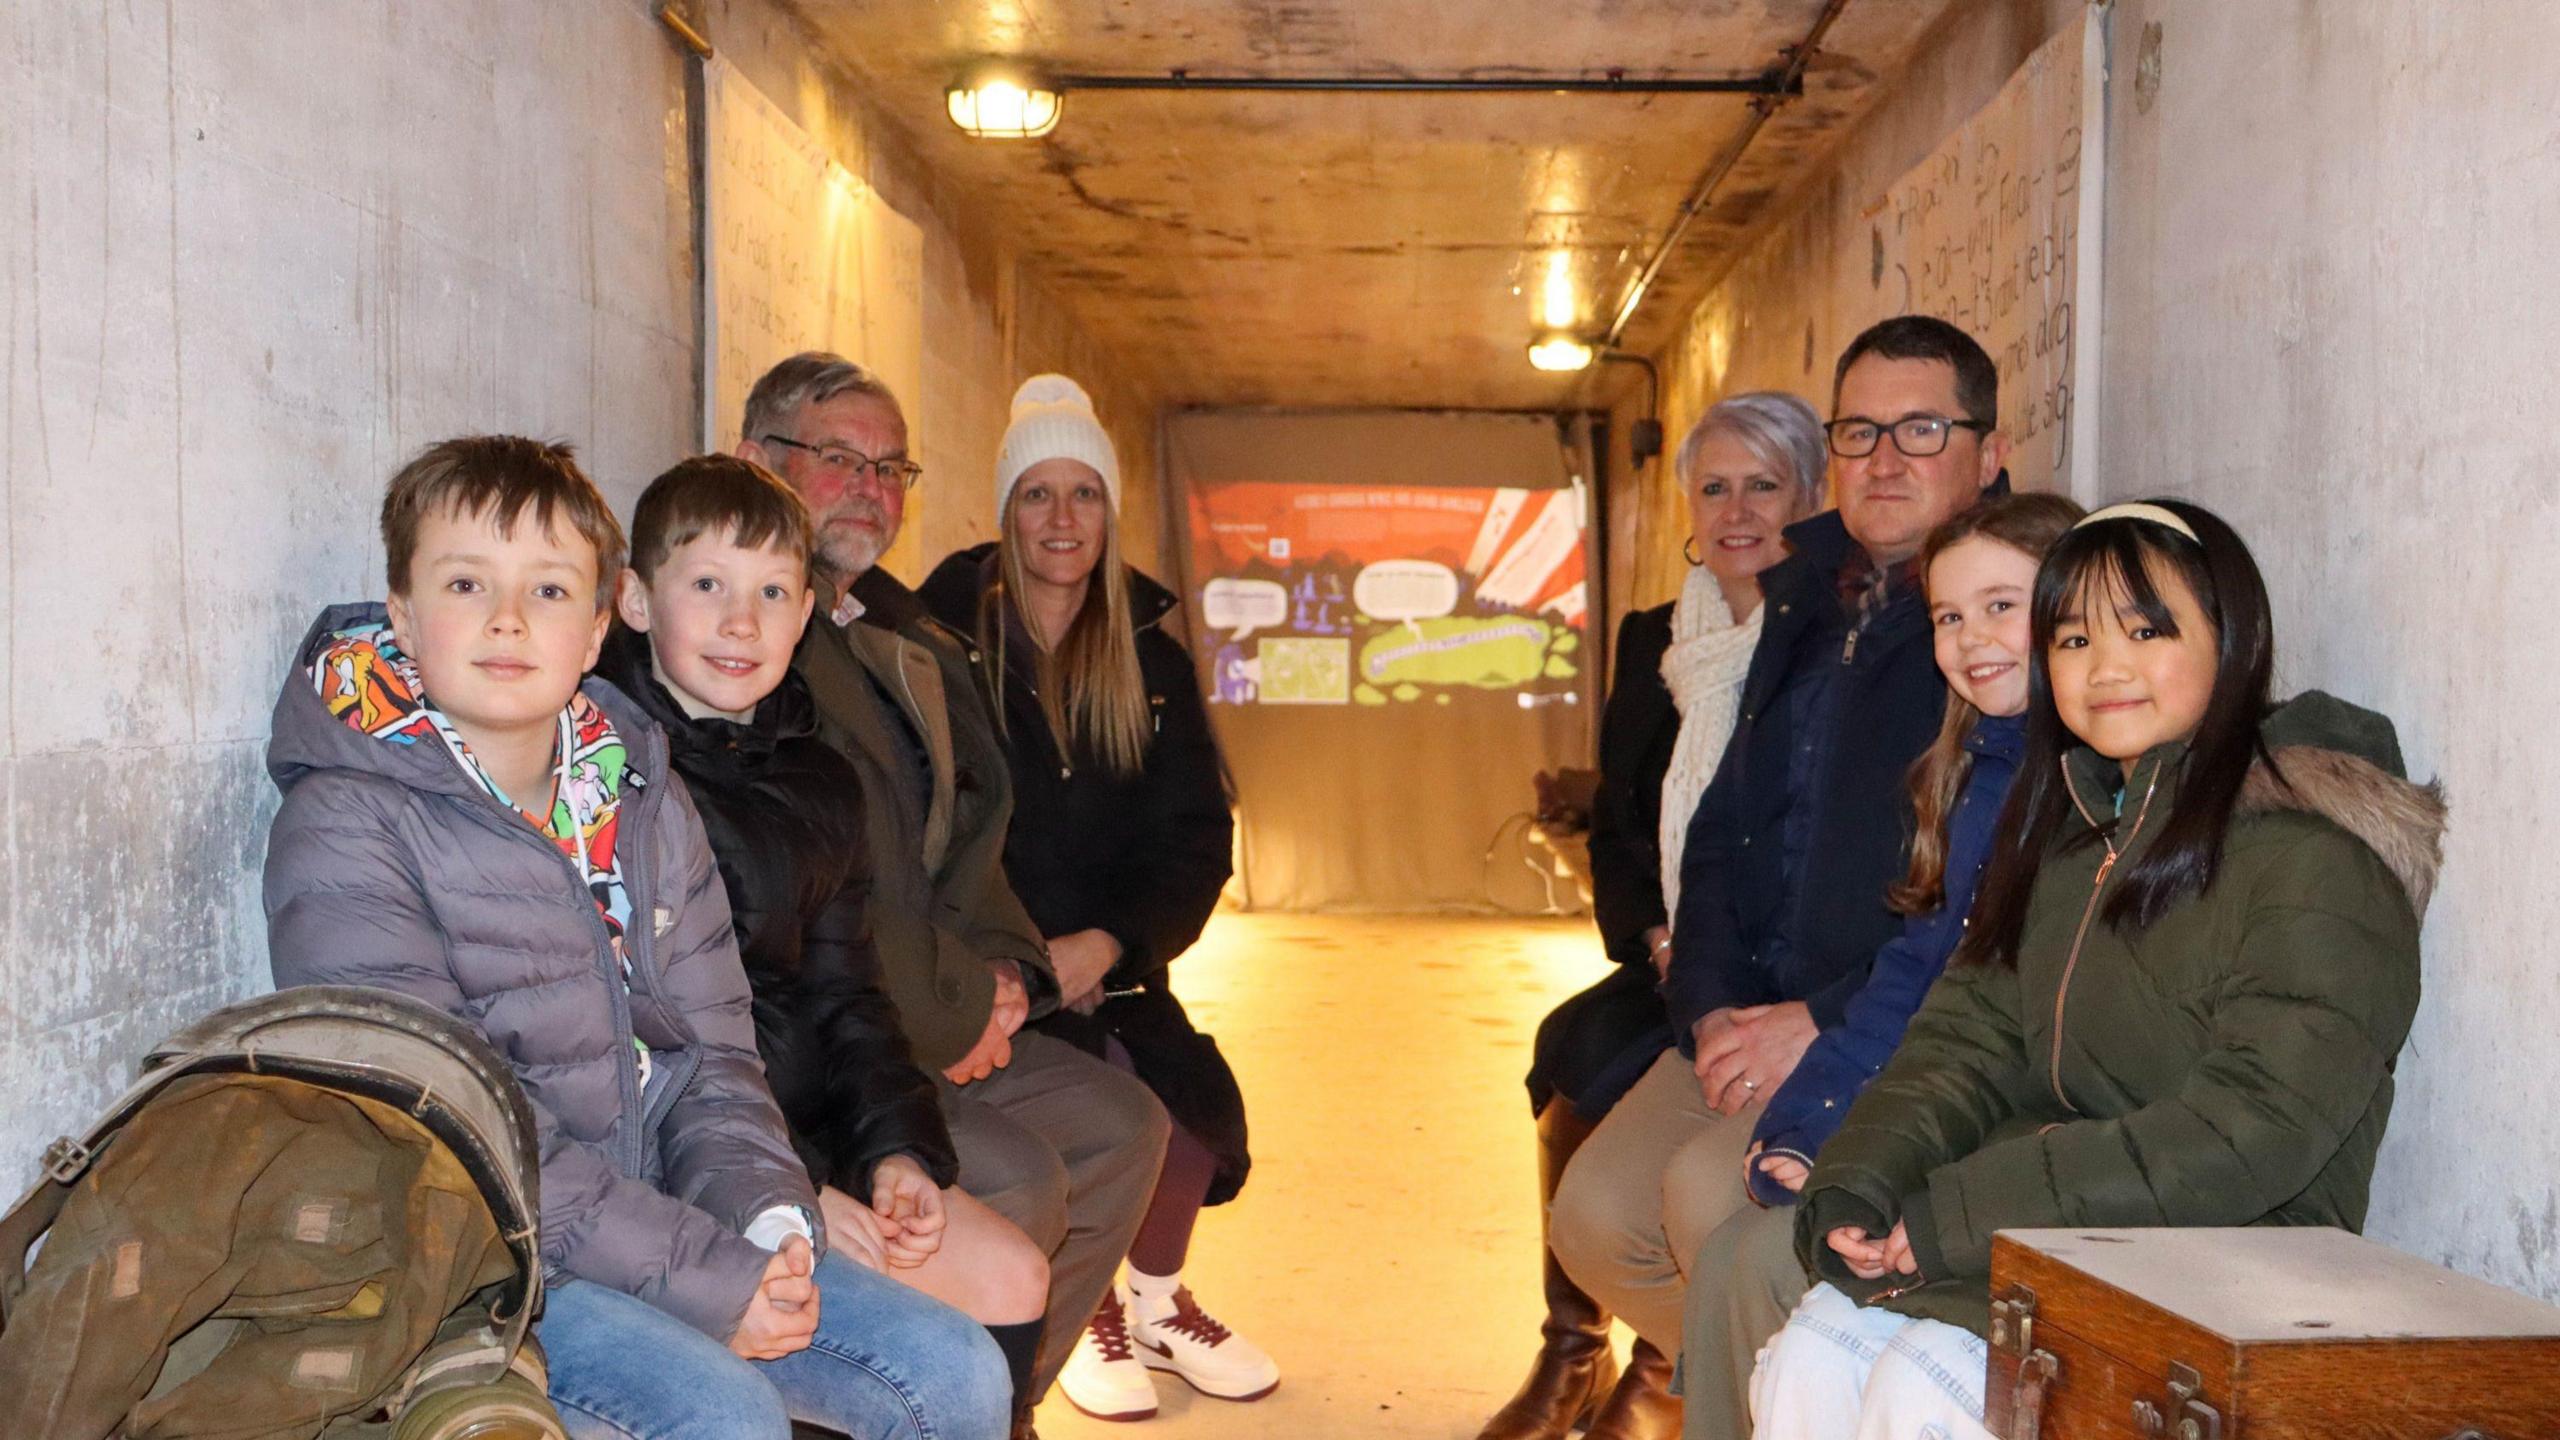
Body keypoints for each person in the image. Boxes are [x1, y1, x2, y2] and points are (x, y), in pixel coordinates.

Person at [263, 436, 1010, 1440]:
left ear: (598, 623)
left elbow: (714, 1054)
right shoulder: (347, 824)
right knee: (721, 1412)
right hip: (473, 1263)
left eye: (550, 590)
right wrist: (709, 1276)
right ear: (400, 610)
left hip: (657, 1216)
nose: (508, 618)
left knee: (954, 1370)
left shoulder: (639, 794)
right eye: (465, 582)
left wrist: (766, 1220)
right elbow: (456, 1125)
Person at [1751, 500, 2440, 1438]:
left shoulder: (2318, 861)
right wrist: (1865, 1176)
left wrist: (1971, 1209)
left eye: (2146, 630)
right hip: (2051, 1233)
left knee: (1926, 1390)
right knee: (1809, 1356)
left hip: (2231, 1261)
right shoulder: (2075, 834)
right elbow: (1965, 1038)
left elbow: (2253, 1134)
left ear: (2231, 642)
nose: (2105, 667)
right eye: (2073, 637)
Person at [1546, 316, 2010, 1378]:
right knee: (1596, 1215)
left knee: (1709, 1200)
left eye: (1921, 429)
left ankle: (1792, 1395)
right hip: (1743, 1008)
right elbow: (1719, 828)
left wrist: (1815, 1024)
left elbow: (1983, 897)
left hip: (1874, 1023)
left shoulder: (1995, 614)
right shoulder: (1806, 595)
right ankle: (1783, 1397)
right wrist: (1707, 1005)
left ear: (1986, 452)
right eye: (1859, 432)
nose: (1885, 459)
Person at [736, 354, 1171, 1434]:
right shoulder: (753, 638)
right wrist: (961, 1010)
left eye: (892, 468)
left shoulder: (895, 630)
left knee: (1129, 1124)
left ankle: (990, 1406)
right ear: (758, 462)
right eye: (841, 459)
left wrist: (1016, 974)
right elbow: (823, 896)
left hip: (945, 997)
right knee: (1023, 1181)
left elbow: (974, 833)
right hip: (841, 1040)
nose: (871, 490)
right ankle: (930, 1403)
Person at [598, 453, 1056, 1411]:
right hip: (690, 1162)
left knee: (1012, 1274)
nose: (741, 621)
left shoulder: (816, 774)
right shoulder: (610, 771)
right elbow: (648, 1045)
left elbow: (849, 994)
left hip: (805, 1132)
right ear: (637, 602)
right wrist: (798, 1187)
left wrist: (894, 1152)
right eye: (708, 585)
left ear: (807, 611)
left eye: (772, 591)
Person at [1677, 492, 2083, 1439]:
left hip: (1998, 1141)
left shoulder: (2079, 786)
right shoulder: (1978, 768)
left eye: (2000, 605)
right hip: (1933, 1102)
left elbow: (1993, 1025)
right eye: (1949, 614)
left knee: (1755, 1261)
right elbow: (1913, 975)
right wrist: (1807, 1125)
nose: (1971, 637)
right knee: (1734, 1231)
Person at [1479, 392, 1826, 1440]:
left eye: (1761, 485)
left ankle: (1669, 1368)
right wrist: (1660, 939)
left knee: (1639, 1105)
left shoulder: (1830, 641)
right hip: (1675, 945)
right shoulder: (1653, 640)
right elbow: (1623, 823)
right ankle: (1575, 1347)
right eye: (1713, 487)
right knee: (1567, 1047)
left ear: (1809, 497)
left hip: (1774, 963)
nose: (1734, 511)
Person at [920, 376, 1262, 1423]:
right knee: (1094, 1134)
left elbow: (1196, 836)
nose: (1061, 520)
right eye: (1037, 494)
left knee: (1204, 1124)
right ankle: (1087, 1314)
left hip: (1110, 963)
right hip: (986, 970)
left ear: (1111, 512)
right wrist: (1014, 960)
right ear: (1004, 509)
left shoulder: (1147, 658)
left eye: (1084, 495)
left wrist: (1112, 942)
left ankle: (1151, 1303)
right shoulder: (942, 640)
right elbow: (928, 826)